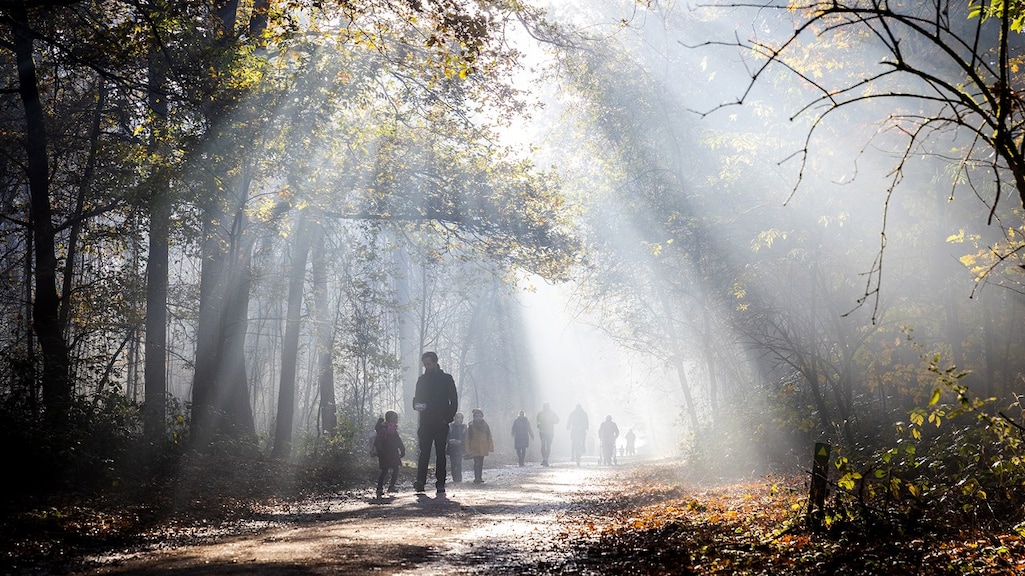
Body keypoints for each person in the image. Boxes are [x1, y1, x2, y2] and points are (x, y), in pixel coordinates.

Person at [412, 351, 459, 496]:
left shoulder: (446, 379)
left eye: (429, 363)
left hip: (441, 422)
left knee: (440, 453)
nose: (427, 366)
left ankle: (440, 483)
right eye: (425, 364)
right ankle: (420, 482)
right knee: (424, 453)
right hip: (425, 422)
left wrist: (448, 418)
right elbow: (416, 399)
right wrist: (416, 405)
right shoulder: (422, 380)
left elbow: (454, 400)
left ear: (435, 362)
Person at [374, 411, 405, 499]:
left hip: (391, 452)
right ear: (390, 419)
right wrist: (380, 451)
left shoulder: (391, 428)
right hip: (386, 453)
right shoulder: (384, 429)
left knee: (393, 469)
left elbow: (398, 440)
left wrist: (402, 449)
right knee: (386, 470)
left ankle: (389, 487)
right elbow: (379, 441)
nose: (396, 420)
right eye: (395, 418)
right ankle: (382, 488)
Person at [465, 408, 494, 483]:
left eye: (480, 416)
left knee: (480, 463)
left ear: (482, 417)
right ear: (474, 417)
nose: (478, 418)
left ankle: (479, 477)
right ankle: (477, 478)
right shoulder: (471, 426)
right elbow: (467, 438)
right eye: (477, 416)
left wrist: (490, 446)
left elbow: (489, 436)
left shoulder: (485, 426)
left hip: (483, 447)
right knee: (476, 463)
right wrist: (467, 449)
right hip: (474, 448)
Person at [536, 403, 559, 467]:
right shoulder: (540, 413)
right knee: (543, 444)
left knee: (548, 445)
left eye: (547, 406)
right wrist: (538, 424)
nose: (546, 408)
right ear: (543, 407)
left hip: (550, 432)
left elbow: (557, 419)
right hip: (542, 431)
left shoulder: (552, 413)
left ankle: (546, 459)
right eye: (545, 406)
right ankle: (544, 458)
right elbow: (537, 420)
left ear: (548, 407)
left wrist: (553, 422)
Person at [448, 412, 467, 483]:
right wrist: (450, 441)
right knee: (453, 463)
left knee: (458, 463)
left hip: (460, 448)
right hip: (452, 448)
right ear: (454, 418)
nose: (459, 419)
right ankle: (454, 477)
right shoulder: (451, 427)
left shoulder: (464, 427)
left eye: (461, 418)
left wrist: (461, 442)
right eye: (457, 418)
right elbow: (447, 436)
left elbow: (466, 437)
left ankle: (459, 478)